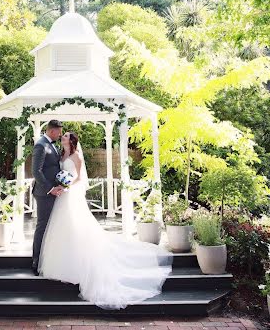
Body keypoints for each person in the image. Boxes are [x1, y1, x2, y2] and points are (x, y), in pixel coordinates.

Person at [38, 130, 173, 309]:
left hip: (72, 194)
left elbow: (79, 177)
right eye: (62, 135)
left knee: (76, 226)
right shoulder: (61, 154)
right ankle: (62, 268)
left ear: (71, 141)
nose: (62, 137)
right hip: (62, 196)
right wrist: (60, 184)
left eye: (65, 136)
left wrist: (66, 185)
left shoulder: (77, 156)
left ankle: (79, 267)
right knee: (61, 229)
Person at [31, 119, 64, 275]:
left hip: (54, 192)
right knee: (42, 226)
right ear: (52, 131)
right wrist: (50, 188)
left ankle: (47, 258)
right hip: (44, 194)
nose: (60, 134)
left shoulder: (52, 145)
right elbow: (36, 171)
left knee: (51, 227)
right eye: (59, 132)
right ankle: (36, 260)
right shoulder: (41, 145)